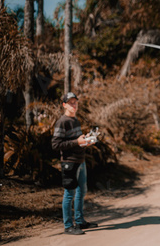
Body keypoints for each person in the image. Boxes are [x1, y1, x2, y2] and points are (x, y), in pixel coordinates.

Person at [52, 92, 98, 235]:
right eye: (70, 102)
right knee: (69, 194)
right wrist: (76, 142)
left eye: (75, 102)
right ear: (64, 105)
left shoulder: (75, 120)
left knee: (81, 191)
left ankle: (79, 222)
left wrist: (85, 141)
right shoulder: (62, 122)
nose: (74, 105)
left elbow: (76, 141)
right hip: (69, 163)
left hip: (80, 161)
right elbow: (56, 144)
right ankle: (68, 226)